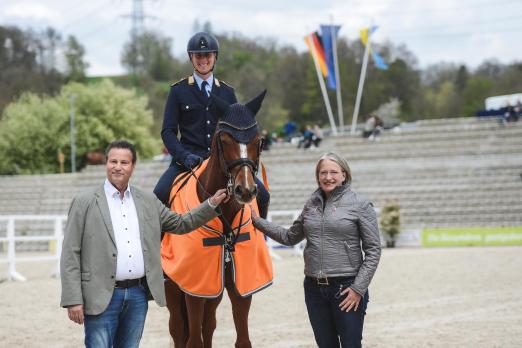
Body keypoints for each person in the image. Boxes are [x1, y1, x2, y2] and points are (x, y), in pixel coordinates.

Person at [60, 140, 228, 348]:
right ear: (106, 163)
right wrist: (73, 299)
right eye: (113, 161)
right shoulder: (84, 201)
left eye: (124, 162)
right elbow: (70, 252)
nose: (118, 167)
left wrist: (210, 204)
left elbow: (180, 223)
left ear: (133, 166)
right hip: (100, 295)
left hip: (137, 296)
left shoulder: (147, 200)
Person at [250, 152, 381, 348]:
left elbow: (373, 251)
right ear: (317, 176)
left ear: (344, 175)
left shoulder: (360, 205)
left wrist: (357, 289)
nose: (328, 177)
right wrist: (257, 221)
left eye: (334, 172)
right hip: (313, 289)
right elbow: (290, 237)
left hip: (346, 288)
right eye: (323, 172)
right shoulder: (311, 204)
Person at [154, 31, 270, 218]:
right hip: (187, 161)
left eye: (207, 55)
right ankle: (157, 246)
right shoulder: (178, 90)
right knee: (159, 195)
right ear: (191, 57)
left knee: (263, 196)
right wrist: (184, 156)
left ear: (215, 56)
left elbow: (237, 132)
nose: (203, 60)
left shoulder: (227, 92)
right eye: (198, 55)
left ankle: (260, 239)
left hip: (223, 162)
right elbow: (168, 131)